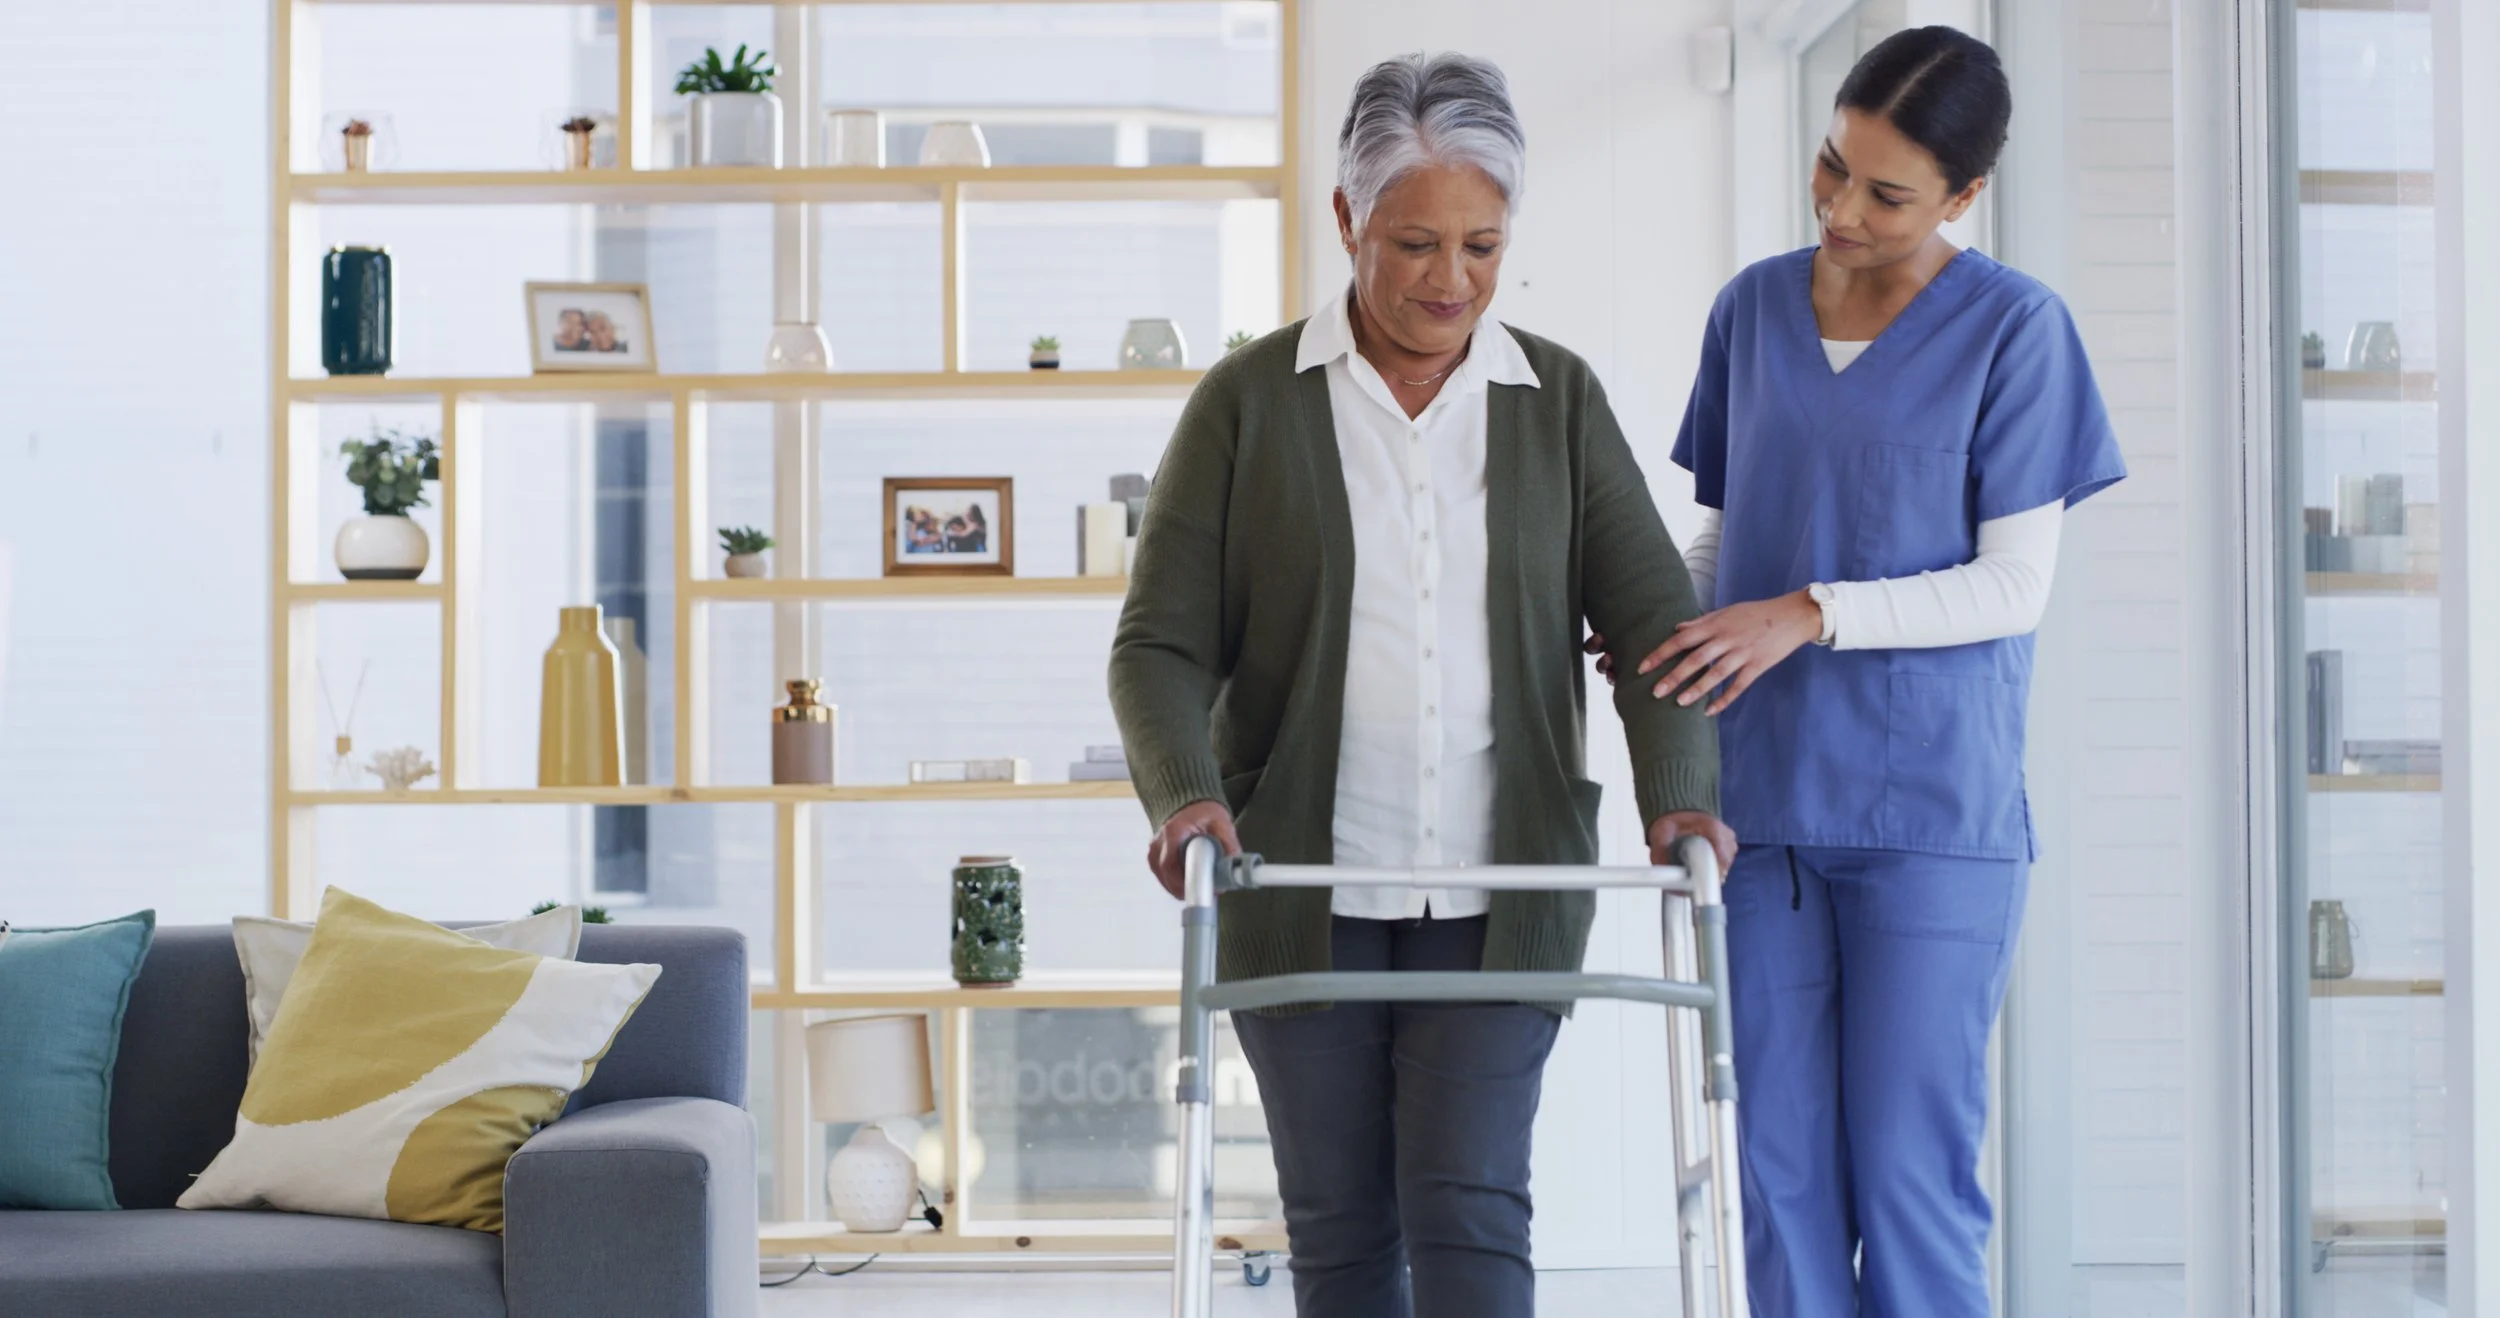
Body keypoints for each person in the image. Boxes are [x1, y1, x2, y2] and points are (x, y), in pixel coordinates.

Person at [1109, 52, 1731, 1318]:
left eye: (1481, 246)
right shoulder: (1246, 404)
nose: (1450, 281)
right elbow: (1159, 645)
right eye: (1412, 244)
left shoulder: (1554, 400)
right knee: (1341, 1228)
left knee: (1472, 1208)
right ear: (1346, 221)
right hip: (1302, 880)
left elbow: (1653, 620)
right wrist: (1183, 796)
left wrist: (1678, 796)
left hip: (1504, 886)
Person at [1600, 26, 2127, 1316]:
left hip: (1928, 817)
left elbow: (2013, 587)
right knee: (1772, 1183)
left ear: (1961, 198)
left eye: (1885, 194)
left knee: (1907, 1179)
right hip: (1759, 803)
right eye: (1829, 167)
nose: (1840, 208)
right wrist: (1663, 616)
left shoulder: (2017, 331)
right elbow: (1730, 530)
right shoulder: (1753, 308)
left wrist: (1807, 613)